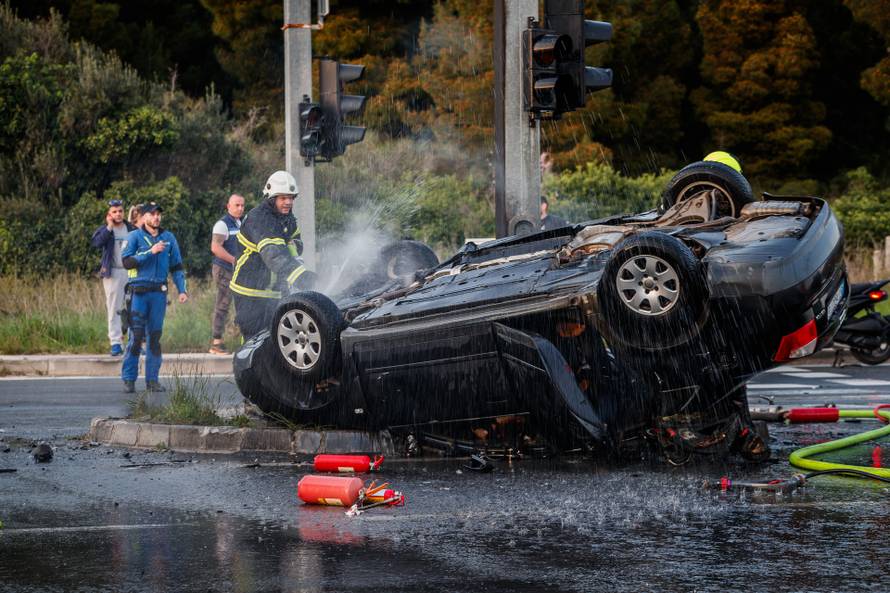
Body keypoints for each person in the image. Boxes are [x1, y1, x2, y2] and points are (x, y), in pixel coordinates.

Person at [230, 171, 313, 339]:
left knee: (277, 343)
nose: (288, 202)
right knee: (254, 343)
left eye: (291, 197)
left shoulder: (287, 219)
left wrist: (292, 247)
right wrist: (301, 276)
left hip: (275, 293)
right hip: (250, 293)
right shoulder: (259, 219)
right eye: (283, 198)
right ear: (271, 198)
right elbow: (274, 255)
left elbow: (296, 243)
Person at [120, 202, 189, 393]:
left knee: (155, 338)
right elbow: (126, 262)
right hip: (139, 294)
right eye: (152, 214)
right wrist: (150, 252)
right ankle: (129, 378)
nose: (156, 217)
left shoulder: (169, 238)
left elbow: (176, 267)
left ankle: (152, 380)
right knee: (136, 338)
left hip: (159, 293)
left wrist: (182, 290)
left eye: (159, 214)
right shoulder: (134, 236)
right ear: (144, 217)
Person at [90, 199, 136, 356]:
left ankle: (133, 342)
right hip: (113, 273)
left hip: (130, 271)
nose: (118, 214)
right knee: (114, 308)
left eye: (120, 211)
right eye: (114, 212)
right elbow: (96, 243)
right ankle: (115, 342)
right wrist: (109, 226)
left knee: (133, 307)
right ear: (109, 215)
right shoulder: (106, 230)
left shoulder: (130, 229)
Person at [208, 193, 245, 354]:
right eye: (237, 205)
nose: (240, 208)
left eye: (242, 205)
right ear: (228, 206)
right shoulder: (222, 225)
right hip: (224, 269)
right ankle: (216, 343)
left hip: (237, 270)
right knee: (223, 304)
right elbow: (215, 248)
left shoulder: (241, 223)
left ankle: (246, 339)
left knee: (243, 304)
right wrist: (234, 260)